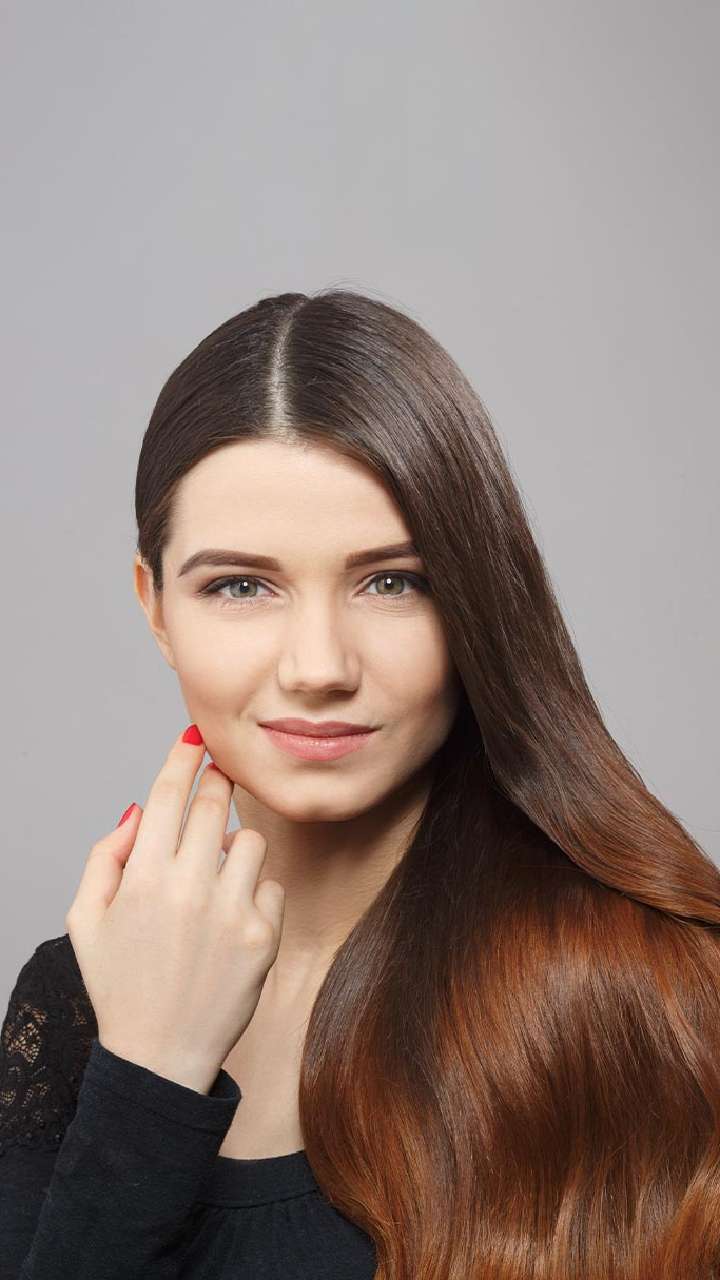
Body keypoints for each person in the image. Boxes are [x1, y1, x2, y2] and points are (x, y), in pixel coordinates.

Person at [1, 288, 719, 1279]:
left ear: (474, 601)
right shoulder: (78, 997)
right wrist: (148, 1072)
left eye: (393, 581)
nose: (319, 666)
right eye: (240, 585)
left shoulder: (646, 991)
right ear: (155, 607)